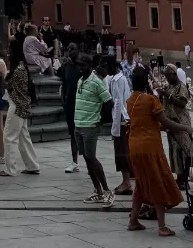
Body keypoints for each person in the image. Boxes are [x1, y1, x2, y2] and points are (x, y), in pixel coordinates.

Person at [125, 66, 182, 236]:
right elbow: (166, 122)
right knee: (158, 181)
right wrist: (185, 128)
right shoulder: (151, 100)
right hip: (150, 148)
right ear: (146, 83)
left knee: (141, 184)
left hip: (134, 147)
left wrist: (162, 128)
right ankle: (162, 226)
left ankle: (133, 221)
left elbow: (144, 123)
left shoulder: (130, 101)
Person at [72, 56, 114, 207]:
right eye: (79, 65)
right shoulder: (80, 81)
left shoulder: (96, 82)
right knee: (87, 159)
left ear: (90, 65)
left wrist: (101, 119)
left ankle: (107, 191)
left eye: (83, 65)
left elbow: (109, 102)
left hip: (91, 125)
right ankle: (98, 191)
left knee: (92, 158)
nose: (80, 68)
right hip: (79, 125)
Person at [0, 48, 40, 176]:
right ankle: (32, 165)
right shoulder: (22, 68)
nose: (7, 54)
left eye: (9, 53)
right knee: (23, 137)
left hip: (16, 105)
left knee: (9, 137)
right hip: (22, 106)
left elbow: (7, 85)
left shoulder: (17, 70)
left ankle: (10, 169)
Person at [106, 56, 132, 192]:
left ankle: (126, 182)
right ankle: (126, 180)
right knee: (123, 151)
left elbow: (118, 103)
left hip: (121, 120)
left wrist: (117, 125)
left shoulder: (117, 80)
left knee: (122, 152)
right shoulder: (117, 79)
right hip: (122, 119)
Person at [59, 43, 83, 173]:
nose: (70, 51)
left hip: (81, 104)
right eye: (68, 49)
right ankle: (75, 162)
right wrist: (63, 99)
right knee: (73, 134)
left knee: (83, 133)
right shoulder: (66, 67)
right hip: (70, 105)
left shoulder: (82, 67)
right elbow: (63, 83)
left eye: (72, 49)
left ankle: (90, 160)